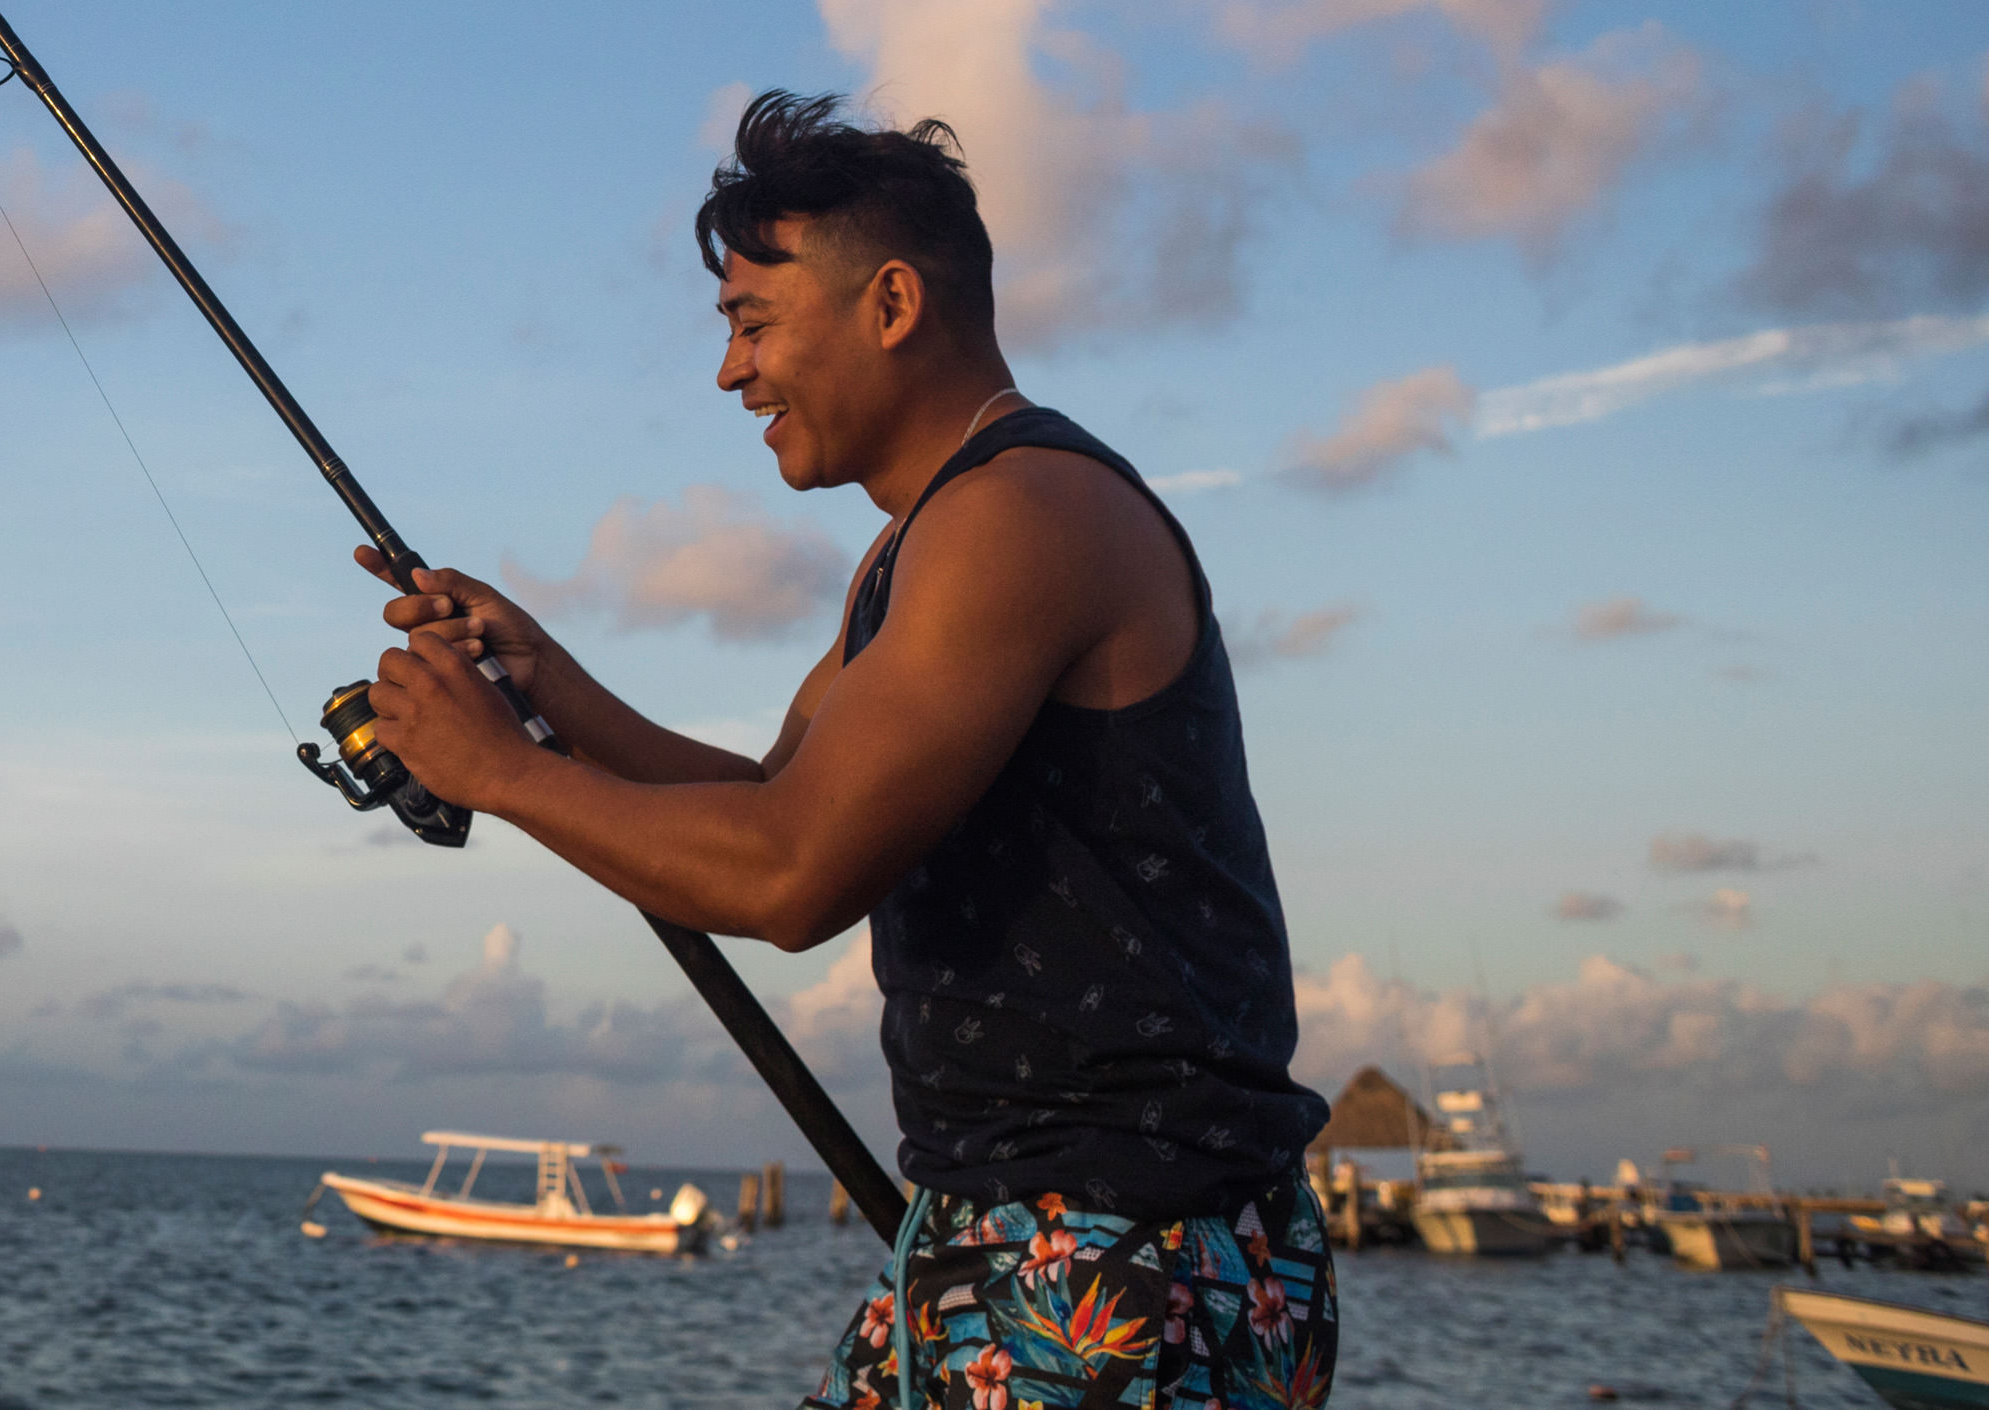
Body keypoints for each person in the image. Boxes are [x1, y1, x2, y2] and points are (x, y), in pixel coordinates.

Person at [358, 92, 1334, 1410]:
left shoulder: (1020, 515)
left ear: (889, 304)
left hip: (1125, 1263)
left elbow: (791, 873)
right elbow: (775, 796)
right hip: (992, 1241)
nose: (729, 372)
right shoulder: (921, 541)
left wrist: (504, 771)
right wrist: (546, 681)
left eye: (753, 323)